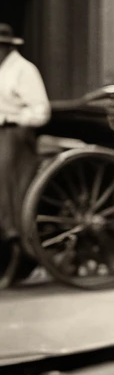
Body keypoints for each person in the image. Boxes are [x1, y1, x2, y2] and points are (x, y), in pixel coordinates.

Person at [0, 23, 51, 253]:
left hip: (16, 132)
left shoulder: (23, 70)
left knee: (4, 168)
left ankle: (13, 229)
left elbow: (40, 111)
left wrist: (10, 118)